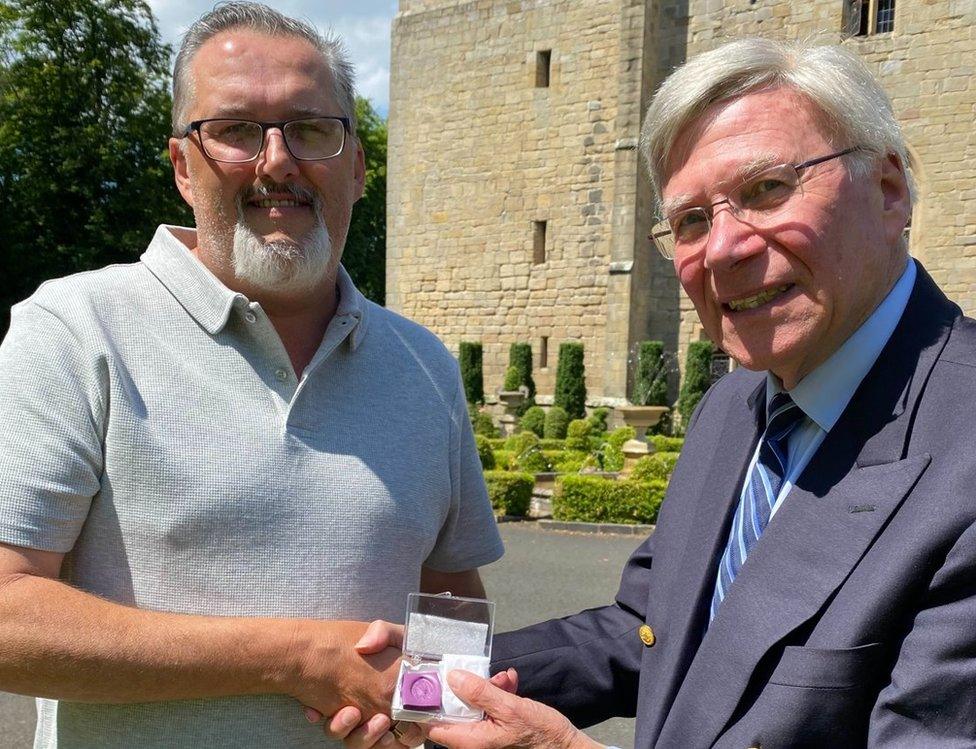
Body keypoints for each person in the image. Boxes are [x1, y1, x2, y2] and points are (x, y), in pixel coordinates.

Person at [328, 37, 976, 748]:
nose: (722, 248)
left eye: (766, 189)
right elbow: (649, 631)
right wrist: (438, 674)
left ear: (889, 190)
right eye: (692, 221)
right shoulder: (735, 407)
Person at [0, 3, 503, 748]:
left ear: (357, 166)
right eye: (235, 130)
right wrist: (296, 658)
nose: (277, 161)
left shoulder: (423, 363)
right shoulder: (75, 330)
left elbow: (452, 595)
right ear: (181, 166)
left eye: (311, 129)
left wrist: (433, 707)